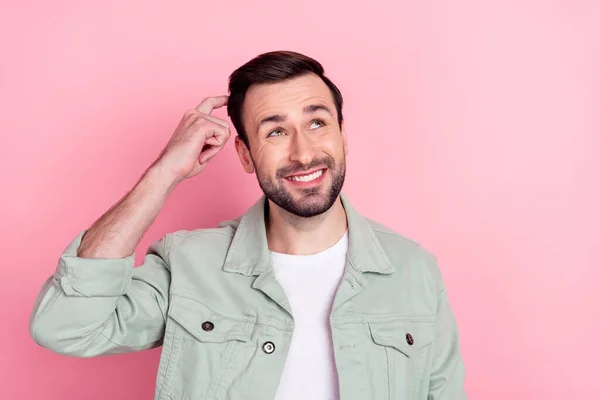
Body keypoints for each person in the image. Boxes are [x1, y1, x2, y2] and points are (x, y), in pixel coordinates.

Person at [29, 50, 467, 400]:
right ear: (244, 154)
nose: (303, 153)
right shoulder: (188, 265)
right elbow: (65, 326)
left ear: (342, 135)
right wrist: (165, 172)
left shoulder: (414, 271)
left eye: (317, 123)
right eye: (275, 132)